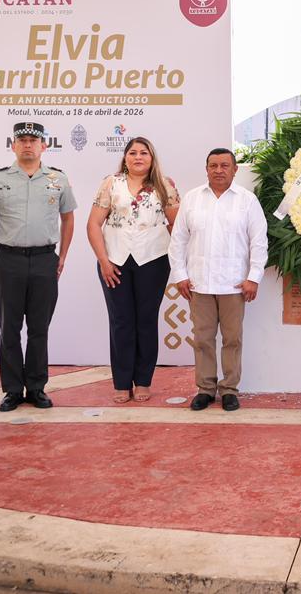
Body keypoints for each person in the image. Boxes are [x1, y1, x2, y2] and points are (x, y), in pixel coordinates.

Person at [0, 122, 76, 412]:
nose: (28, 145)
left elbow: (68, 218)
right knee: (9, 328)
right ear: (13, 146)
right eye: (22, 140)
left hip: (45, 259)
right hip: (9, 260)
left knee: (39, 328)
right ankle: (11, 390)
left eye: (34, 140)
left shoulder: (58, 179)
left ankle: (36, 387)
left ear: (44, 145)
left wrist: (62, 256)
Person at [168, 148, 268, 412]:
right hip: (199, 283)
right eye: (213, 165)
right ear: (206, 169)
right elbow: (178, 240)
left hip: (234, 284)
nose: (219, 170)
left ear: (235, 169)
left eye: (225, 165)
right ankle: (205, 389)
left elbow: (259, 242)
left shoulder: (247, 201)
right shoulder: (192, 199)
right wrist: (180, 275)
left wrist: (253, 277)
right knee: (203, 339)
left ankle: (229, 390)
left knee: (232, 339)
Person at [87, 137, 179, 404]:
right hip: (115, 261)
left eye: (144, 153)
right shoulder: (111, 183)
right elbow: (93, 224)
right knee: (121, 321)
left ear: (152, 158)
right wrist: (104, 261)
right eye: (133, 152)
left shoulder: (165, 185)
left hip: (154, 260)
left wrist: (181, 261)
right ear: (125, 158)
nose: (138, 157)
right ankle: (122, 382)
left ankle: (143, 381)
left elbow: (177, 226)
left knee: (146, 321)